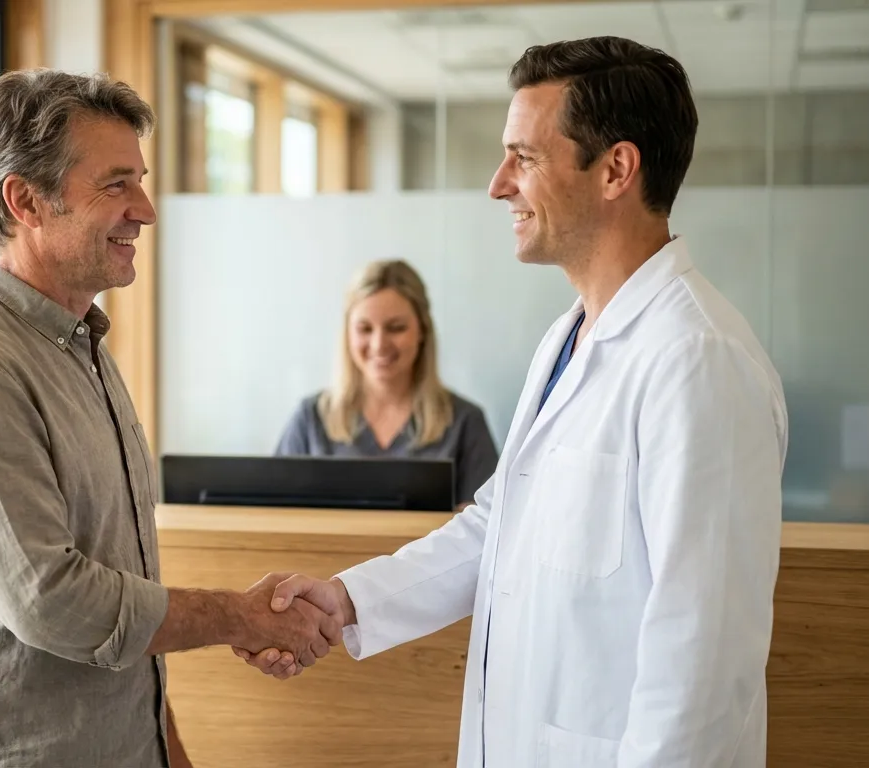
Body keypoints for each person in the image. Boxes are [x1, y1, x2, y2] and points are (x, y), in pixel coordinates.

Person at [236, 36, 789, 768]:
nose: (499, 184)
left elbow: (704, 665)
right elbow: (497, 528)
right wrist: (348, 600)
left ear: (616, 169)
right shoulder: (569, 339)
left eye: (523, 158)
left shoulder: (697, 361)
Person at [0, 69, 341, 768]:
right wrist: (239, 614)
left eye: (139, 179)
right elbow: (55, 602)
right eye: (116, 184)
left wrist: (169, 751)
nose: (145, 208)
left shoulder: (86, 351)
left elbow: (119, 598)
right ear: (25, 200)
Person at [274, 259, 498, 508]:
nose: (379, 344)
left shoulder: (465, 423)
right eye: (365, 329)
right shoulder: (310, 419)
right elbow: (277, 517)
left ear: (422, 330)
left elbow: (484, 529)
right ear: (348, 333)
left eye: (396, 328)